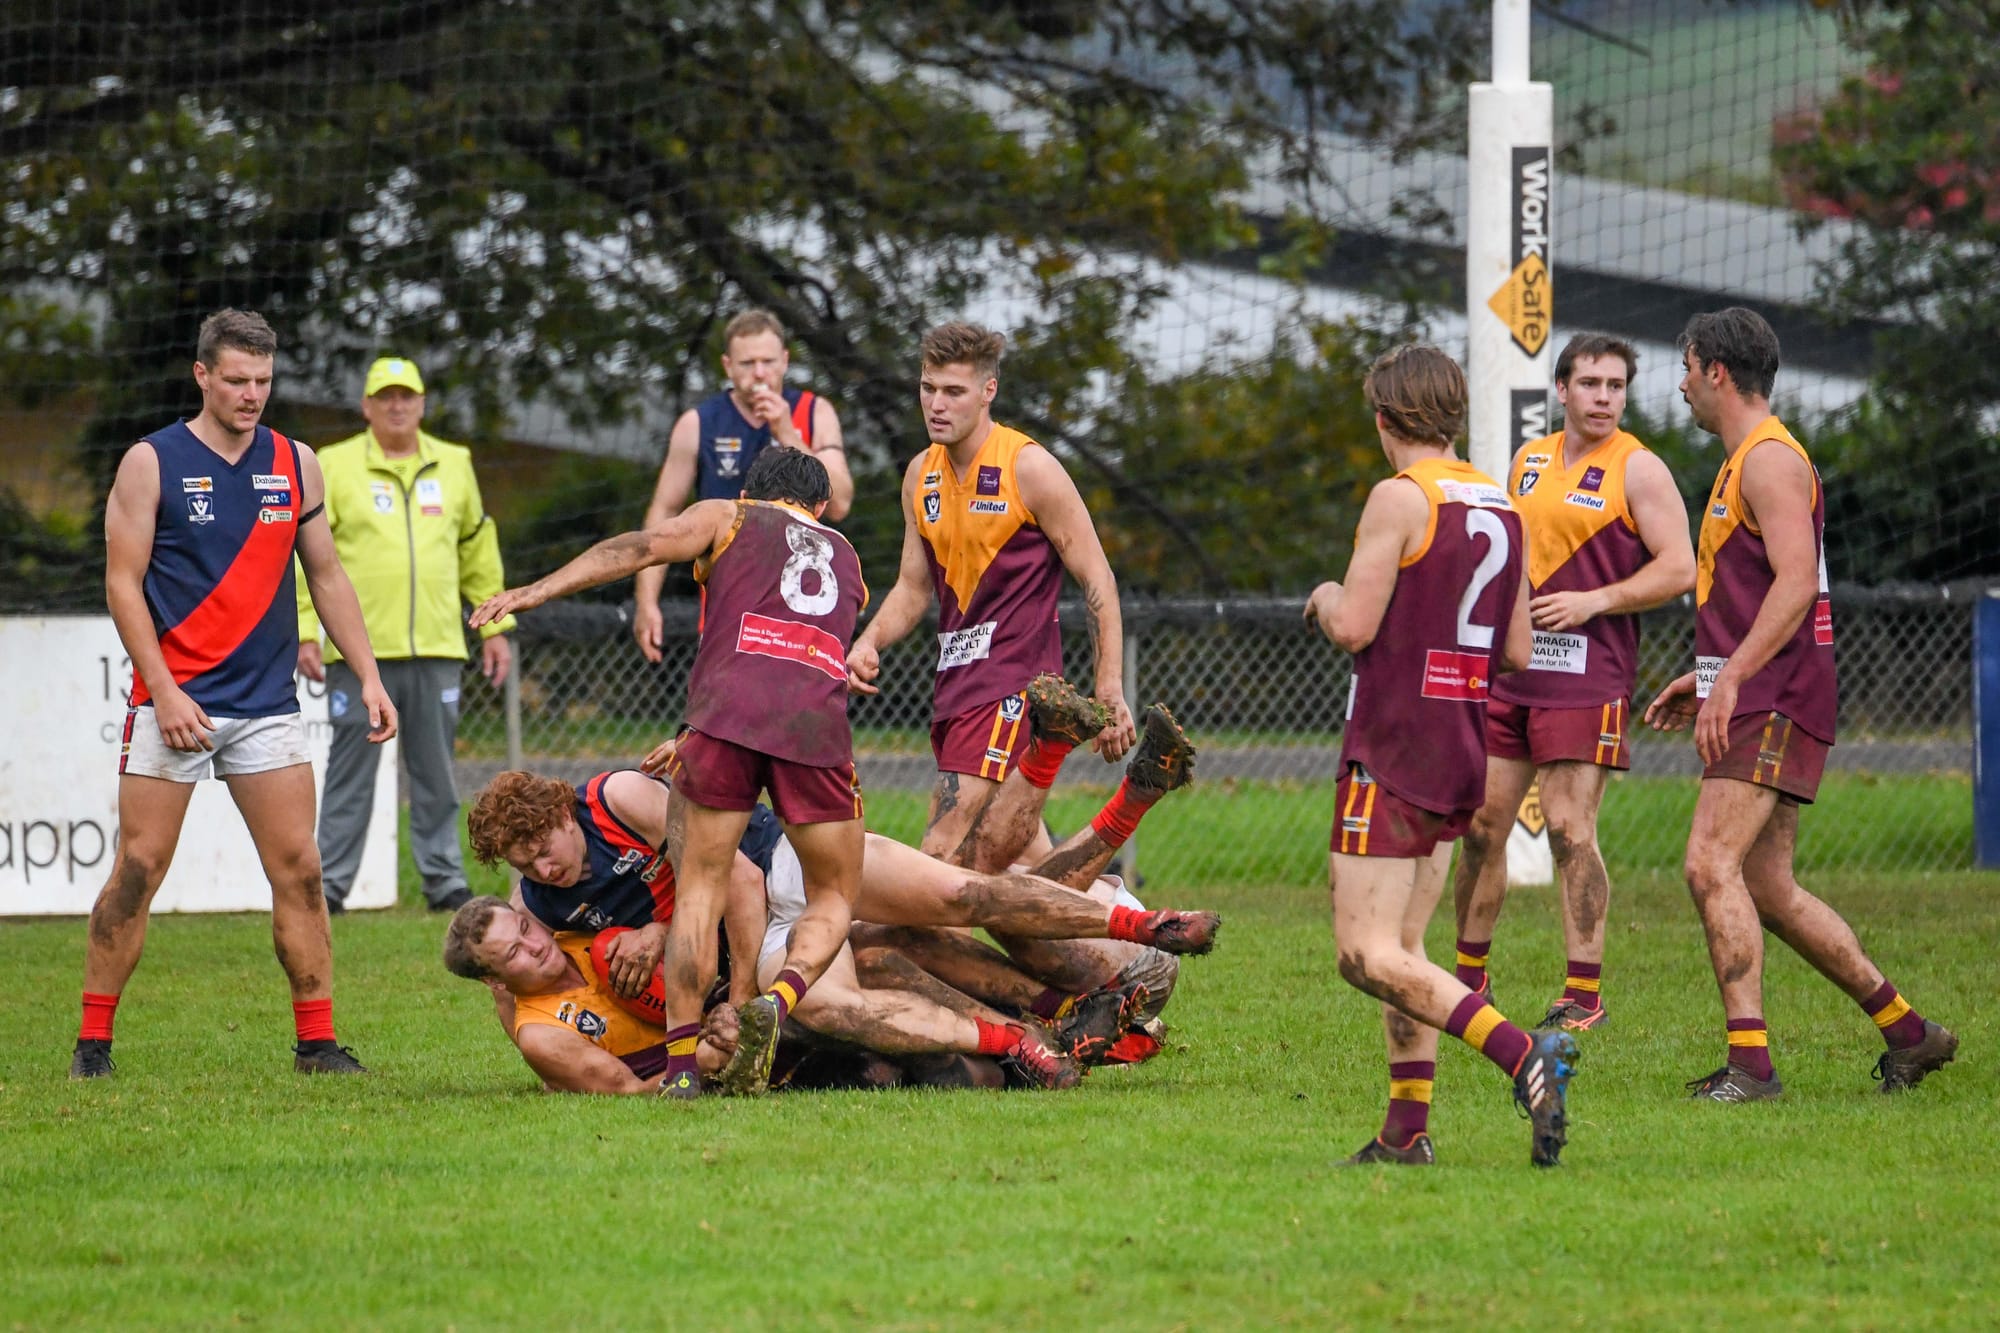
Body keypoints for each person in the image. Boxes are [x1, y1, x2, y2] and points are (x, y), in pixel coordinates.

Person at [471, 447, 865, 1100]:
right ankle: (778, 998)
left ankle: (682, 1070)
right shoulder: (848, 555)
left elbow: (640, 547)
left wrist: (535, 590)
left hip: (721, 721)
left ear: (751, 492)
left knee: (701, 886)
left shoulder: (729, 515)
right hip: (811, 729)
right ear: (820, 509)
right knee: (835, 896)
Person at [70, 308, 399, 1080]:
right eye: (238, 380)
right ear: (203, 376)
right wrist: (165, 690)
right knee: (140, 867)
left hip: (267, 707)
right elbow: (122, 584)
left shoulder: (296, 463)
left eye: (264, 381)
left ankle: (317, 1042)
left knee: (302, 868)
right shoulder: (151, 462)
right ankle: (93, 1044)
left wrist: (370, 673)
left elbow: (325, 573)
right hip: (171, 702)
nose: (253, 394)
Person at [1644, 307, 1957, 1102]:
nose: (1679, 384)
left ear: (1717, 370)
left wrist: (1738, 678)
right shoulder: (1743, 459)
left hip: (1776, 694)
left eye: (1686, 367)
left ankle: (1751, 1067)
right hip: (1763, 686)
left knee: (1708, 864)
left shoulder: (1770, 460)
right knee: (1770, 888)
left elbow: (1794, 580)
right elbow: (1758, 590)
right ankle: (1909, 1032)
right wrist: (1708, 671)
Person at [1304, 343, 1576, 1167]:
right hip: (1461, 741)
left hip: (1393, 745)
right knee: (1410, 951)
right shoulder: (1501, 503)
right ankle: (1406, 1130)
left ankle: (1524, 1052)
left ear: (1385, 419)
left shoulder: (1398, 497)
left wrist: (1320, 599)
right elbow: (1520, 650)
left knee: (1366, 953)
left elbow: (1353, 624)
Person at [1450, 334, 1696, 1030]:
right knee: (1480, 826)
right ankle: (1470, 981)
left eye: (1616, 386)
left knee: (1567, 826)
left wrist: (1596, 600)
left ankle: (1584, 994)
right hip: (1514, 673)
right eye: (1590, 383)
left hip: (1589, 678)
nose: (1603, 397)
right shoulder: (1528, 461)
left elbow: (1680, 568)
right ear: (1561, 391)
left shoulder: (1639, 469)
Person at [846, 322, 1137, 872]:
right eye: (928, 388)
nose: (936, 404)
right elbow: (914, 586)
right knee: (1019, 867)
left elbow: (1098, 579)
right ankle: (1120, 941)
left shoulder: (1028, 467)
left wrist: (1110, 689)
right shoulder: (920, 474)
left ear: (988, 392)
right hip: (956, 689)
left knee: (941, 856)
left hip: (1012, 688)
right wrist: (869, 641)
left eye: (953, 391)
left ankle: (895, 954)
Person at [297, 355, 514, 914]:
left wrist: (495, 625)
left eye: (407, 396)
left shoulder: (456, 462)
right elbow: (306, 558)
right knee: (349, 773)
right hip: (358, 651)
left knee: (437, 774)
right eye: (385, 396)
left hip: (439, 646)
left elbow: (476, 547)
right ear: (366, 406)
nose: (397, 405)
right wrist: (307, 632)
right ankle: (329, 888)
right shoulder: (333, 464)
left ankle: (445, 883)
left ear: (421, 403)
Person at [631, 309, 855, 663]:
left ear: (784, 360)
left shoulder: (814, 412)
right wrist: (646, 602)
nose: (760, 374)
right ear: (727, 366)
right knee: (722, 707)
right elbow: (665, 510)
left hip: (801, 597)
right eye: (747, 363)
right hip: (728, 598)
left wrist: (787, 433)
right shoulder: (699, 423)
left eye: (767, 361)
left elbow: (840, 503)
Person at [441, 896, 738, 1094]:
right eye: (515, 951)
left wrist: (656, 931)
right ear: (494, 981)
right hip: (711, 1055)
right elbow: (629, 1092)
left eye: (525, 928)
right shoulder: (541, 1035)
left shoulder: (578, 930)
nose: (535, 946)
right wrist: (702, 1061)